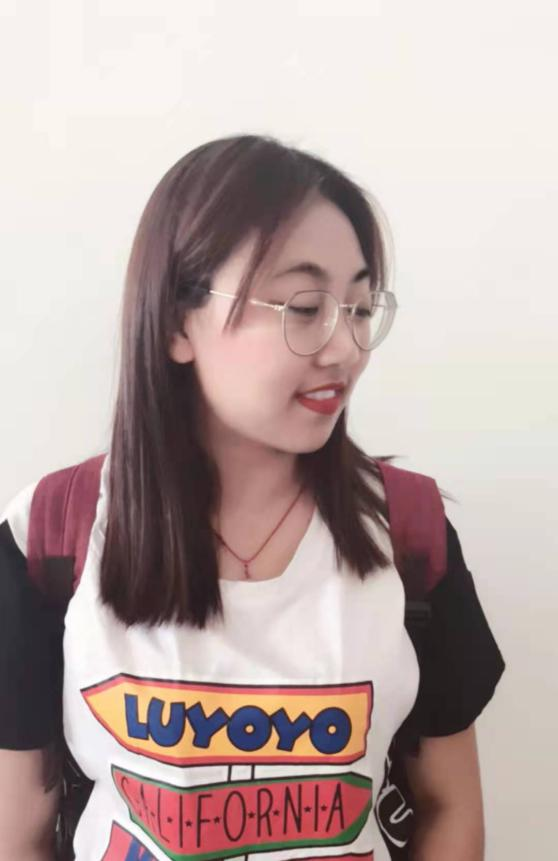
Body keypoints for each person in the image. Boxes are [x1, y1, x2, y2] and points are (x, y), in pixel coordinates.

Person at [0, 134, 505, 860]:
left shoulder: (408, 534)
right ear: (176, 321)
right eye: (304, 306)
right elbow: (17, 832)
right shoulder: (48, 537)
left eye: (360, 308)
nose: (347, 348)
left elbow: (450, 807)